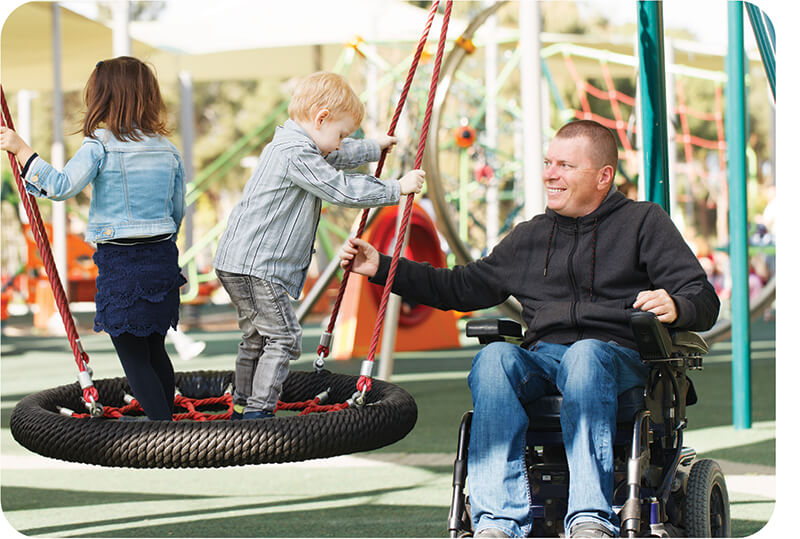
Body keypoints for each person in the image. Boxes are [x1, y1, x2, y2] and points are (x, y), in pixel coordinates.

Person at [339, 119, 719, 538]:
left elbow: (703, 298)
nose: (549, 174)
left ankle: (590, 520)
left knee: (586, 354)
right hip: (544, 360)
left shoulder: (644, 223)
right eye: (548, 162)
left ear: (603, 176)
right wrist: (382, 267)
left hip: (616, 358)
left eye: (565, 166)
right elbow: (460, 286)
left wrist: (676, 305)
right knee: (495, 358)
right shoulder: (530, 237)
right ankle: (498, 523)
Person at [213, 71, 425, 420]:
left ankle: (242, 404)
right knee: (283, 337)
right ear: (320, 117)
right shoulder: (297, 154)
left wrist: (373, 147)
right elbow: (339, 187)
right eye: (341, 133)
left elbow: (334, 154)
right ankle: (257, 413)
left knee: (255, 337)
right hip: (258, 267)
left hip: (237, 261)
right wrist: (395, 189)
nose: (342, 142)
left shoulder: (290, 143)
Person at [1, 56, 186, 421]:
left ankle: (162, 427)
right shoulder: (168, 149)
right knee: (154, 348)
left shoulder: (99, 144)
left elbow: (60, 186)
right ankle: (168, 420)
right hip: (162, 257)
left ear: (103, 98)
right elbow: (177, 209)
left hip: (122, 262)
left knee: (132, 353)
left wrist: (22, 150)